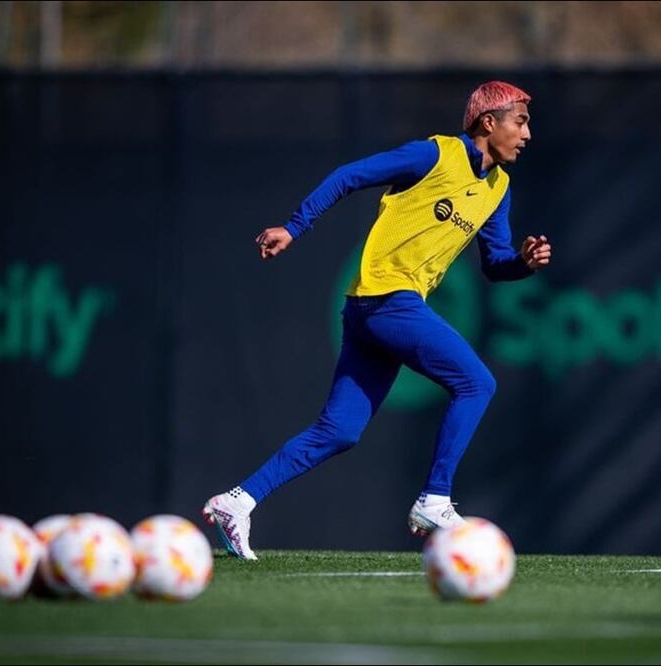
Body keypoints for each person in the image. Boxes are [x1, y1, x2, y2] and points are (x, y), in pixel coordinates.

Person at [203, 81, 551, 560]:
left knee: (339, 431)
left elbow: (495, 264)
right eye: (521, 121)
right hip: (387, 298)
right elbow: (349, 175)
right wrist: (294, 226)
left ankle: (235, 502)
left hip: (374, 312)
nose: (528, 133)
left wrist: (523, 265)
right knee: (476, 384)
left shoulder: (499, 190)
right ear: (488, 123)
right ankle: (435, 498)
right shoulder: (434, 155)